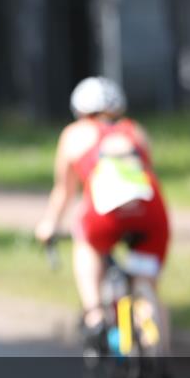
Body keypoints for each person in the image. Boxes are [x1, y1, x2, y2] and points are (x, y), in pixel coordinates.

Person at [34, 76, 171, 352]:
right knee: (146, 285)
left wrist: (49, 224)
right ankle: (156, 350)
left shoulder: (73, 134)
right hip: (151, 213)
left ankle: (94, 313)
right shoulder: (136, 131)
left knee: (85, 240)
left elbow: (65, 191)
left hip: (104, 216)